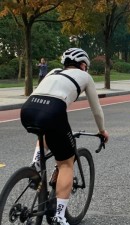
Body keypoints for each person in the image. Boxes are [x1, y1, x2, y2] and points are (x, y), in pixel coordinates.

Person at [20, 48, 109, 225]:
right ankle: (59, 216)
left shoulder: (53, 72)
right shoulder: (85, 76)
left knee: (45, 131)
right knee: (66, 163)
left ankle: (36, 161)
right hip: (53, 111)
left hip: (28, 109)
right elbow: (96, 110)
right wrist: (102, 130)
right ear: (83, 65)